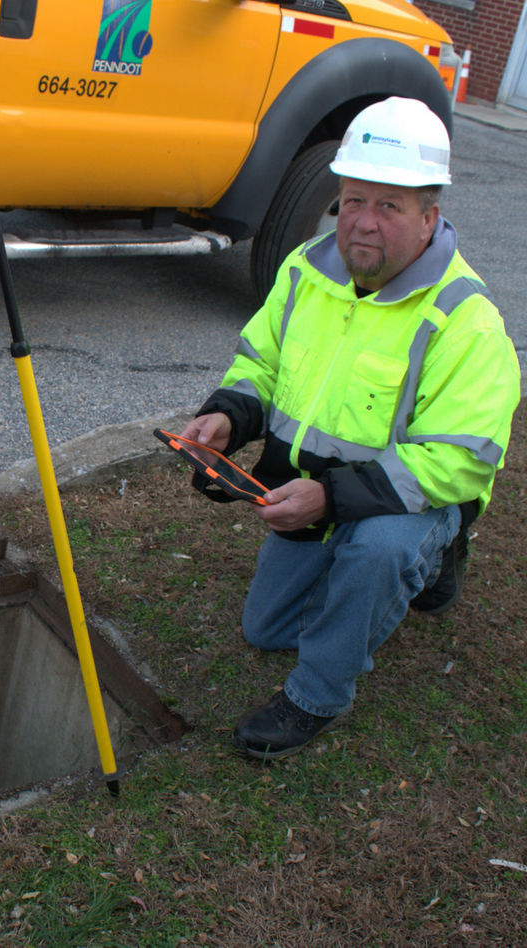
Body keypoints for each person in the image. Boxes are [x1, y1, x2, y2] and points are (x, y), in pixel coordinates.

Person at [180, 97, 520, 761]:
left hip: (396, 504)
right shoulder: (309, 268)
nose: (363, 223)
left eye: (389, 207)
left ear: (431, 217)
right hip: (313, 493)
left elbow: (458, 459)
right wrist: (230, 414)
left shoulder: (467, 322)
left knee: (380, 551)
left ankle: (321, 692)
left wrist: (332, 501)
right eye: (352, 200)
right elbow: (263, 362)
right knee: (267, 629)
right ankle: (392, 576)